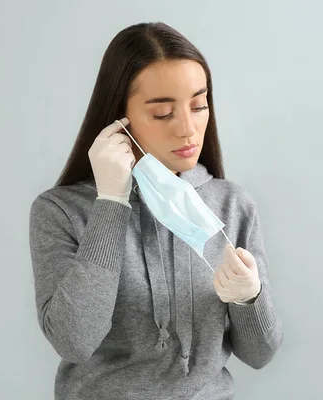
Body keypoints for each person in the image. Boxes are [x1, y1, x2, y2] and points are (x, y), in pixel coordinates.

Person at [29, 22, 283, 399]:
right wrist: (111, 203)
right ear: (119, 121)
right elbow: (73, 342)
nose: (188, 129)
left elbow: (260, 354)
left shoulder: (232, 205)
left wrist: (250, 297)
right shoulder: (61, 212)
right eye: (163, 113)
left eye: (199, 106)